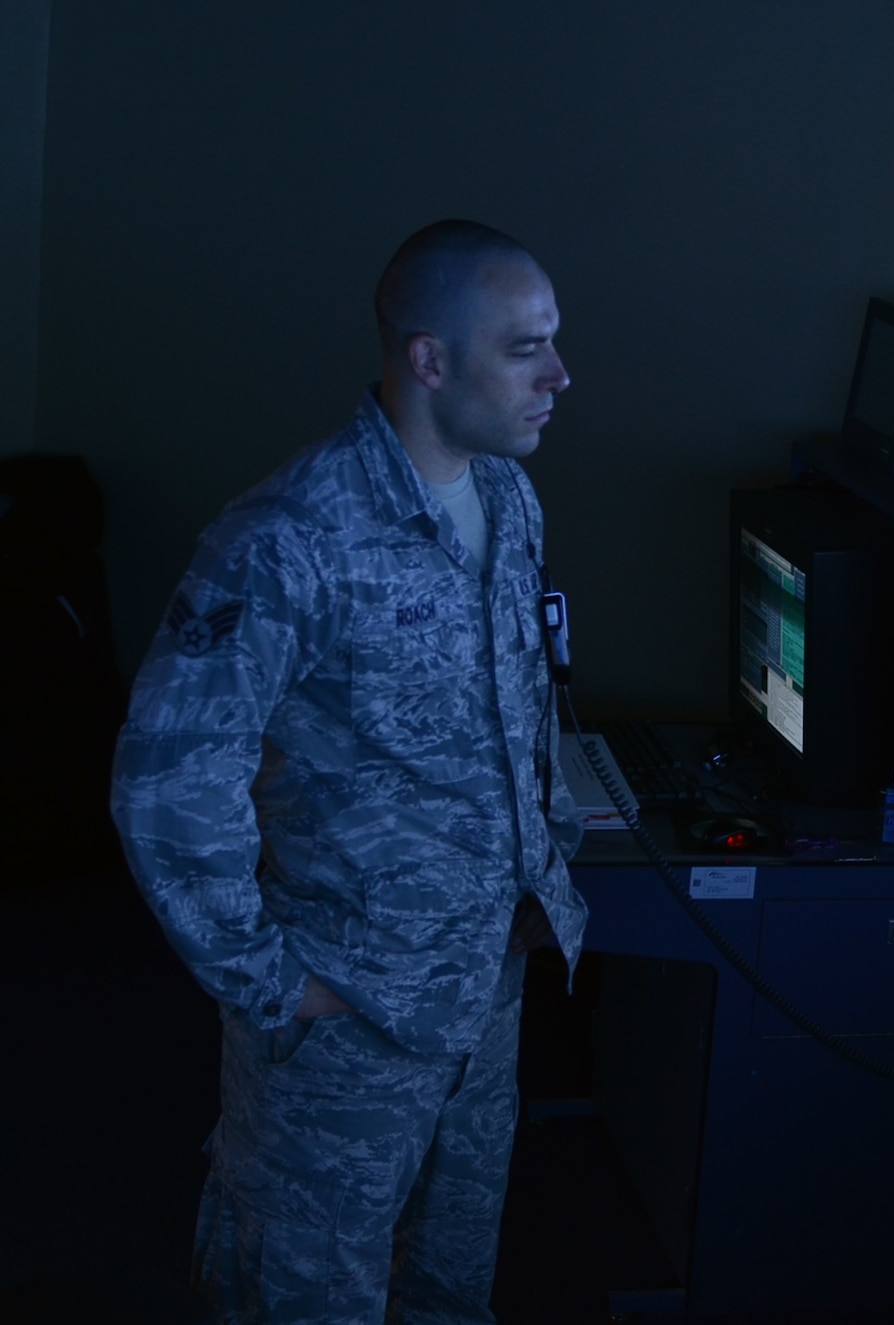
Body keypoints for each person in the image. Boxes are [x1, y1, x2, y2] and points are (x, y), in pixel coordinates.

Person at [111, 219, 587, 1324]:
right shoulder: (285, 540)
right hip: (345, 1020)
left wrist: (538, 865)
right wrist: (271, 982)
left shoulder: (506, 498)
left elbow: (513, 698)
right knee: (303, 1294)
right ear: (430, 357)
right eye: (526, 348)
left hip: (478, 996)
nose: (561, 374)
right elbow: (164, 784)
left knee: (448, 1285)